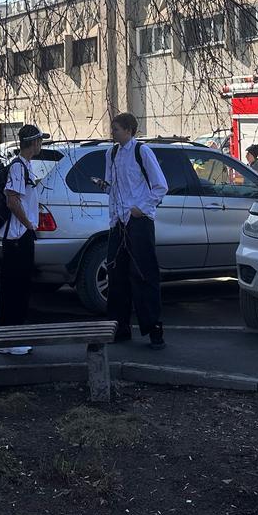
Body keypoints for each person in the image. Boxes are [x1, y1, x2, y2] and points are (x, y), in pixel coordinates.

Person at [102, 112, 169, 349]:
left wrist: (142, 207)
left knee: (143, 273)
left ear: (129, 130)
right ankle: (119, 327)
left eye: (117, 129)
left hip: (138, 220)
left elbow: (160, 186)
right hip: (118, 221)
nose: (113, 133)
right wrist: (104, 187)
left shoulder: (142, 152)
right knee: (116, 274)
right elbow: (112, 186)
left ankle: (153, 329)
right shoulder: (111, 153)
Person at [0, 123, 48, 356]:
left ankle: (10, 338)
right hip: (17, 236)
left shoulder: (25, 165)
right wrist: (28, 224)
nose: (41, 145)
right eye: (40, 141)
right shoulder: (18, 167)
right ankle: (10, 340)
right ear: (34, 143)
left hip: (19, 234)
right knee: (15, 289)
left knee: (17, 288)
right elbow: (12, 200)